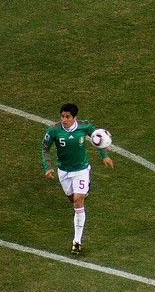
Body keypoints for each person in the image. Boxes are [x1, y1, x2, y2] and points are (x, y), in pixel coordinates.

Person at [41, 103, 114, 255]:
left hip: (81, 169)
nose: (64, 119)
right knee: (72, 198)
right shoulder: (54, 130)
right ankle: (84, 190)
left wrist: (104, 156)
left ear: (75, 117)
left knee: (78, 201)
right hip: (64, 172)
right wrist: (47, 167)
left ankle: (77, 241)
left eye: (68, 117)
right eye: (62, 116)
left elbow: (98, 138)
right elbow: (45, 148)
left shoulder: (84, 127)